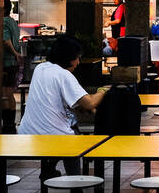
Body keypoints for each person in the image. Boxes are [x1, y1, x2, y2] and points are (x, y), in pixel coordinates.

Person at [19, 35, 106, 176]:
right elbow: (89, 103)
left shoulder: (40, 68)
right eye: (77, 58)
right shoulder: (64, 74)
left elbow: (54, 100)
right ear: (68, 57)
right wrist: (104, 91)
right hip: (53, 137)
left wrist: (79, 107)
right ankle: (76, 186)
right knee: (72, 134)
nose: (78, 62)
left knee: (64, 125)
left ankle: (48, 169)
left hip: (27, 132)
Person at [1, 0, 24, 133]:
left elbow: (6, 41)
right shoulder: (12, 22)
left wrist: (15, 53)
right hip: (13, 64)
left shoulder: (3, 21)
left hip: (6, 62)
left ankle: (7, 125)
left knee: (4, 94)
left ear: (3, 9)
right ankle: (11, 125)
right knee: (9, 94)